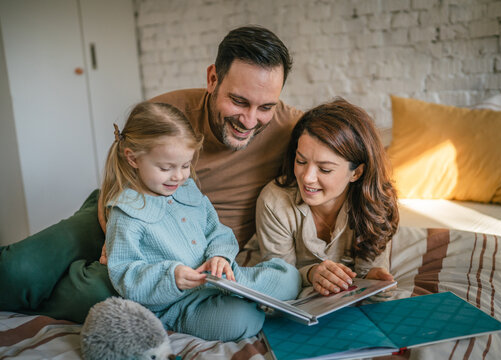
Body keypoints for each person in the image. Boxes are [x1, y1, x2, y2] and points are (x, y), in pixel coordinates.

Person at [0, 25, 302, 323]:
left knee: (99, 295)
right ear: (212, 79)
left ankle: (63, 284)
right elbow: (117, 177)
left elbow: (342, 153)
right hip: (121, 214)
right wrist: (114, 235)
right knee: (15, 271)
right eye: (238, 101)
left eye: (265, 106)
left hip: (190, 254)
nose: (250, 120)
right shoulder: (166, 111)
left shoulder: (291, 129)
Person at [101, 101, 300, 341]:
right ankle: (249, 301)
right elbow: (125, 274)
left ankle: (248, 293)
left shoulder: (187, 189)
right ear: (133, 159)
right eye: (166, 168)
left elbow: (217, 231)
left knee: (289, 276)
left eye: (185, 165)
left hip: (220, 280)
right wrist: (172, 277)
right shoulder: (127, 213)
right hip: (178, 304)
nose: (179, 176)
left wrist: (220, 256)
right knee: (244, 320)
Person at [246, 98, 399, 296]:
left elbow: (365, 271)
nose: (307, 178)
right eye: (301, 161)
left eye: (325, 169)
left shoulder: (378, 204)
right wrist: (311, 274)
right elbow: (280, 278)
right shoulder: (274, 202)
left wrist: (374, 275)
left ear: (356, 173)